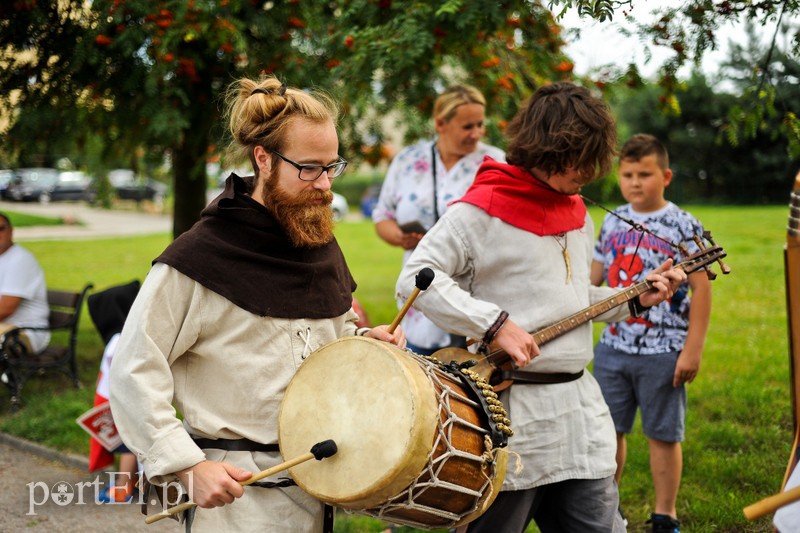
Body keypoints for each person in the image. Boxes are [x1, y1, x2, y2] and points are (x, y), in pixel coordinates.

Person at [109, 76, 405, 532]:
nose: (325, 185)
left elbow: (330, 332)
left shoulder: (316, 240)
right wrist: (188, 467)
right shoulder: (197, 259)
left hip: (318, 482)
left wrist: (366, 341)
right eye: (309, 168)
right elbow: (132, 369)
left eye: (333, 166)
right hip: (237, 500)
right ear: (264, 159)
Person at [396, 82, 688, 533]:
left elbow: (567, 304)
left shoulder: (577, 212)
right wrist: (493, 324)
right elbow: (414, 283)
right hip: (510, 418)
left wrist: (632, 298)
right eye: (579, 159)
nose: (588, 173)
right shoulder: (477, 213)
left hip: (578, 414)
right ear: (550, 149)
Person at [590, 133, 712, 533]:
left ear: (667, 176)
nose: (635, 182)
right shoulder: (610, 220)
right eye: (627, 174)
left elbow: (701, 289)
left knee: (662, 435)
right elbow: (595, 279)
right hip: (613, 348)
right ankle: (609, 508)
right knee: (609, 431)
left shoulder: (682, 223)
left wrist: (691, 349)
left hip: (664, 350)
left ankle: (665, 514)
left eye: (645, 173)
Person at [372, 84, 505, 355]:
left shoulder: (495, 162)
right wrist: (400, 237)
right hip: (419, 298)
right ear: (440, 123)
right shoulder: (408, 160)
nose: (477, 133)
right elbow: (382, 216)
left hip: (476, 298)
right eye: (468, 126)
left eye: (481, 124)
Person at [86, 280, 141, 503]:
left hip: (123, 400)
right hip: (125, 399)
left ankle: (123, 487)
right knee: (128, 442)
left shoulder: (118, 341)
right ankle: (130, 482)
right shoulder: (125, 337)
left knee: (126, 444)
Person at [0, 212, 49, 363]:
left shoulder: (20, 260)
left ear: (11, 231)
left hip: (25, 333)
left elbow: (6, 309)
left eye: (1, 228)